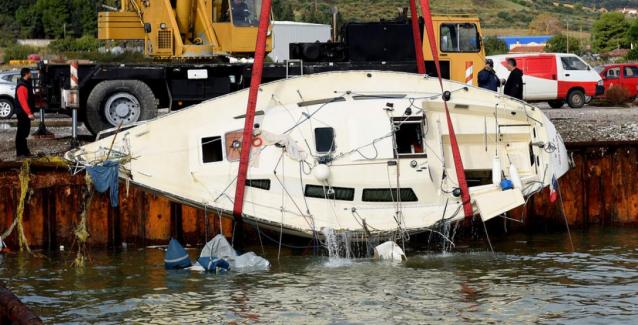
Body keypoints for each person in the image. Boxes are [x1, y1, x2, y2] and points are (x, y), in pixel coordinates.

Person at [15, 68, 35, 158]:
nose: (31, 74)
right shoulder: (22, 86)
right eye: (30, 73)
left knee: (24, 133)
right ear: (26, 74)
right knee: (21, 133)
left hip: (24, 113)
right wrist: (29, 113)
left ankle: (25, 151)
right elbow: (23, 101)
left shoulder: (26, 83)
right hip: (22, 113)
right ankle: (20, 153)